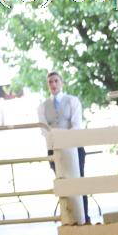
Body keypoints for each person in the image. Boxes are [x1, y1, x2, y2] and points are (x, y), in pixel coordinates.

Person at [37, 71, 90, 224]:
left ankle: (84, 217)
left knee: (79, 180)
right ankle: (69, 218)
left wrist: (65, 140)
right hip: (54, 148)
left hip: (74, 147)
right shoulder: (42, 107)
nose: (53, 84)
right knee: (62, 181)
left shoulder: (73, 101)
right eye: (50, 82)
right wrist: (56, 141)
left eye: (56, 81)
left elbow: (76, 124)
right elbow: (44, 129)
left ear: (61, 82)